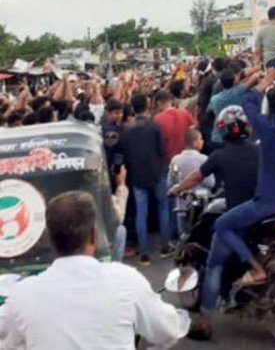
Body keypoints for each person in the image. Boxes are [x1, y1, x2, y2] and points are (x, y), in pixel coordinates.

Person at [188, 71, 275, 340]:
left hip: (267, 202)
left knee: (222, 224)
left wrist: (267, 80)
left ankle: (254, 268)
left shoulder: (265, 127)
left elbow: (246, 98)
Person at [0, 191, 187, 349]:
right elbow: (167, 331)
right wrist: (181, 317)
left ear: (50, 238)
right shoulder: (125, 280)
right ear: (93, 236)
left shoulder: (23, 295)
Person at [170, 106, 259, 211]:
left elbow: (196, 176)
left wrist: (178, 189)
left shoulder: (219, 155)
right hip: (261, 207)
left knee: (219, 226)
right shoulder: (259, 150)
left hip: (237, 209)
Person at [120, 94, 173, 265]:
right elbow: (162, 150)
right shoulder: (154, 127)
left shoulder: (127, 131)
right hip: (156, 172)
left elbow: (125, 156)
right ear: (148, 105)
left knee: (141, 213)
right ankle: (165, 245)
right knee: (163, 208)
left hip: (137, 175)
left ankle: (144, 253)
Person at [167, 128, 215, 235]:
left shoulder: (176, 160)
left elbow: (170, 183)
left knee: (183, 236)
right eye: (200, 139)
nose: (202, 141)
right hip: (201, 206)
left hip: (182, 206)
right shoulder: (204, 159)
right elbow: (211, 183)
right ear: (194, 142)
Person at [207, 64, 262, 147]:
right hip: (234, 137)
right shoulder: (239, 91)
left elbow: (209, 111)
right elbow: (253, 79)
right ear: (234, 80)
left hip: (218, 137)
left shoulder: (214, 99)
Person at [154, 89, 195, 164]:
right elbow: (193, 133)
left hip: (168, 160)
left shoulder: (157, 119)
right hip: (186, 157)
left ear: (158, 103)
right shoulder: (185, 113)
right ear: (171, 101)